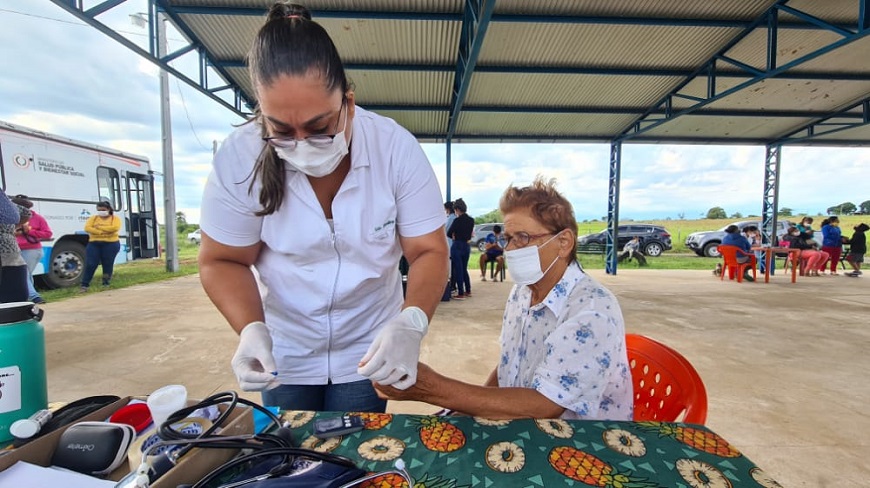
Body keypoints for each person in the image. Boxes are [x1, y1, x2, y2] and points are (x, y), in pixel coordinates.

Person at [197, 3, 447, 413]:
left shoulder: (394, 148)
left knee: (351, 457)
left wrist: (411, 321)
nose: (300, 143)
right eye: (280, 130)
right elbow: (222, 260)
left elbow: (428, 251)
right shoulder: (240, 157)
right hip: (286, 351)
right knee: (289, 457)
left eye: (319, 127)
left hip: (370, 346)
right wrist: (250, 328)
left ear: (348, 101)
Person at [374, 177, 633, 420]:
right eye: (508, 239)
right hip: (523, 428)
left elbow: (545, 404)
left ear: (563, 242)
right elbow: (509, 364)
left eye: (523, 238)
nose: (509, 249)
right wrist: (466, 413)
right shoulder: (523, 292)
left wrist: (430, 388)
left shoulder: (592, 310)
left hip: (578, 446)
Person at [12, 195, 52, 304]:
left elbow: (48, 234)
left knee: (23, 273)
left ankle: (34, 297)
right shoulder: (12, 218)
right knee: (27, 274)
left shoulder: (38, 218)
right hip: (16, 250)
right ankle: (29, 296)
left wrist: (29, 231)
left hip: (32, 250)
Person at [80, 201, 122, 292]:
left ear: (108, 209)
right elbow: (87, 228)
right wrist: (102, 232)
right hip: (94, 244)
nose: (101, 212)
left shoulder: (115, 219)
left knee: (107, 264)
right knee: (91, 264)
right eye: (99, 210)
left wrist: (98, 228)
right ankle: (84, 284)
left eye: (103, 210)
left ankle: (106, 282)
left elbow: (114, 228)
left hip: (111, 244)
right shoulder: (93, 218)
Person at [0, 189, 31, 303]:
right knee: (16, 297)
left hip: (7, 254)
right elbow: (26, 213)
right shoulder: (6, 203)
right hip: (11, 253)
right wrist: (10, 229)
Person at [446, 198, 473, 299]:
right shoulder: (471, 220)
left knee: (458, 269)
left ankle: (460, 292)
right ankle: (468, 290)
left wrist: (454, 236)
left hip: (457, 245)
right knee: (464, 268)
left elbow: (449, 232)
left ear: (457, 209)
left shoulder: (457, 220)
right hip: (466, 245)